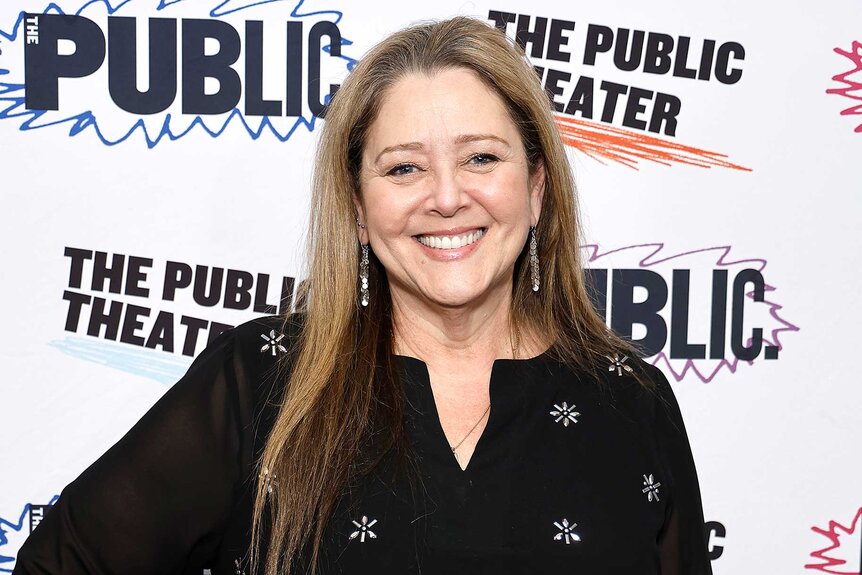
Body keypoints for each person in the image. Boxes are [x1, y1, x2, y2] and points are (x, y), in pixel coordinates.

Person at [14, 16, 712, 575]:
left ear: (535, 188)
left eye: (481, 157)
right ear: (356, 206)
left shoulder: (632, 403)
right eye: (404, 166)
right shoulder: (261, 378)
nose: (445, 197)